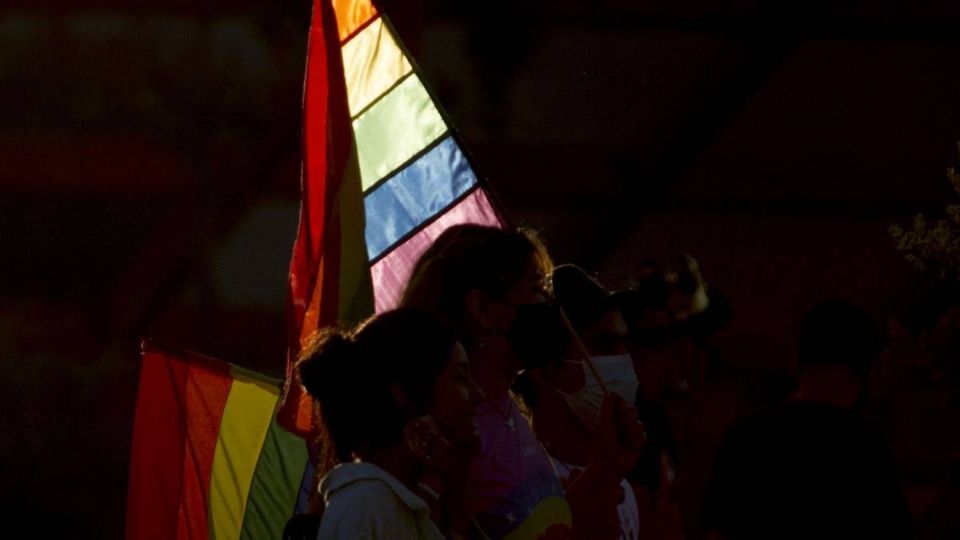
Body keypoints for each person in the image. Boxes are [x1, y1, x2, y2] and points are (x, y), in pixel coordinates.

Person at [401, 224, 643, 540]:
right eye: (536, 289)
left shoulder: (509, 416)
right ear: (483, 308)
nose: (550, 307)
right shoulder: (455, 433)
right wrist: (602, 472)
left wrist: (605, 470)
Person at [703, 300, 912, 539]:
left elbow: (718, 532)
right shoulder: (864, 445)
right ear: (869, 366)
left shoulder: (744, 436)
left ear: (798, 358)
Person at [295, 308, 485, 539]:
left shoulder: (419, 500)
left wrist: (456, 499)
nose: (478, 394)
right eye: (459, 376)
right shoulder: (364, 507)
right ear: (405, 394)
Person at [514, 264, 645, 540]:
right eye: (604, 346)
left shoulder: (623, 485)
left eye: (625, 345)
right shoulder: (523, 491)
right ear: (547, 367)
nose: (624, 361)